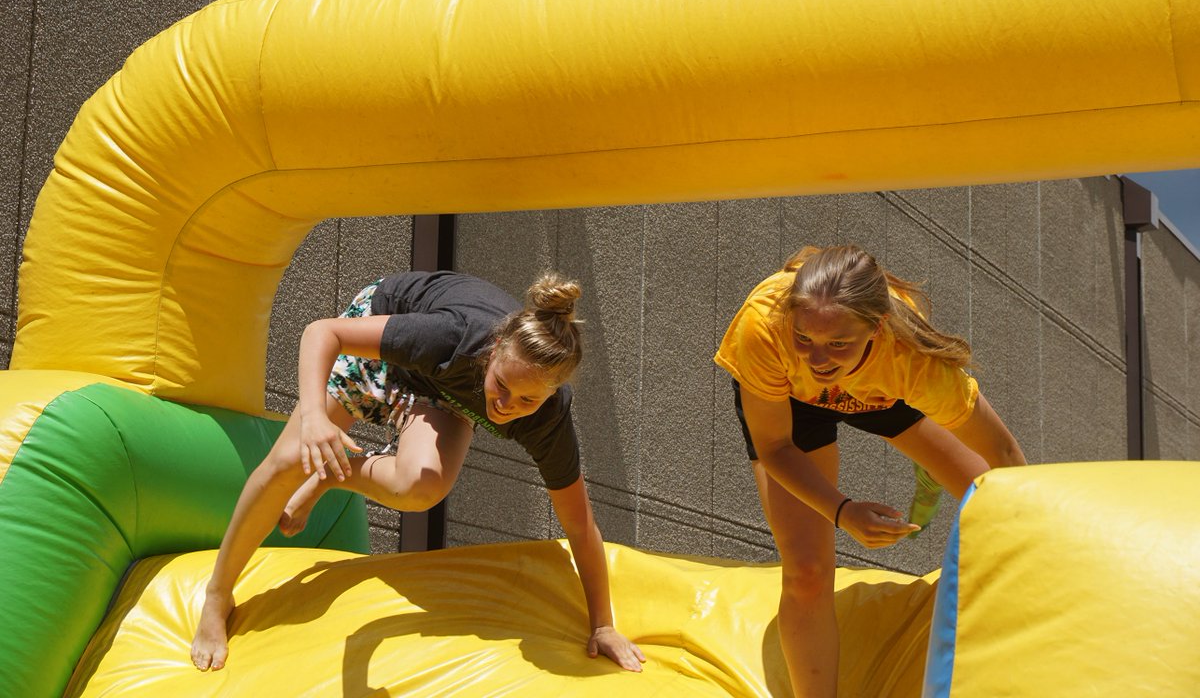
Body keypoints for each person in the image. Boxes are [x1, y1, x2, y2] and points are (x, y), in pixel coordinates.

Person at [191, 270, 645, 673]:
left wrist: (603, 625)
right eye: (501, 386)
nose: (506, 406)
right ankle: (217, 595)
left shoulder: (547, 422)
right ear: (493, 354)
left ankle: (334, 474)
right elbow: (322, 332)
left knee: (420, 488)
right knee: (289, 461)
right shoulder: (451, 338)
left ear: (550, 395)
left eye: (527, 400)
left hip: (442, 390)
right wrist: (312, 415)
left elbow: (579, 525)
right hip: (387, 332)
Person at [714, 245, 1025, 697]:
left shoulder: (912, 361)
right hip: (791, 401)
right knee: (806, 570)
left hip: (879, 392)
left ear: (876, 328)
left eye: (837, 343)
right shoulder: (765, 325)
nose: (818, 359)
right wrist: (842, 512)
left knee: (990, 499)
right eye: (805, 338)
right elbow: (776, 447)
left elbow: (1003, 454)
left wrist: (1035, 535)